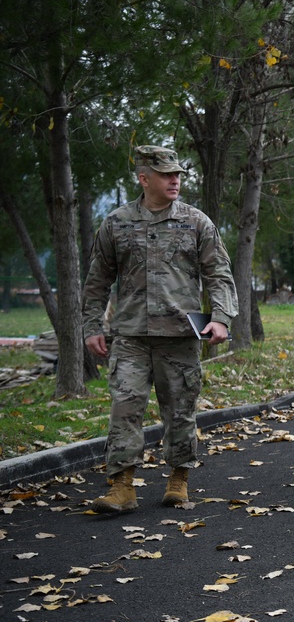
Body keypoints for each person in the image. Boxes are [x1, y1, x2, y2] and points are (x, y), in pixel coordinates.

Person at [82, 145, 238, 513]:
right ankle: (122, 486)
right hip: (131, 335)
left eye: (179, 175)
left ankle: (178, 479)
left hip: (180, 337)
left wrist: (221, 317)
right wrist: (92, 326)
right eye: (167, 175)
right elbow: (97, 280)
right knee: (125, 407)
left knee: (180, 410)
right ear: (143, 178)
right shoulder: (117, 223)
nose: (175, 180)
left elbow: (218, 274)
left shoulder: (196, 222)